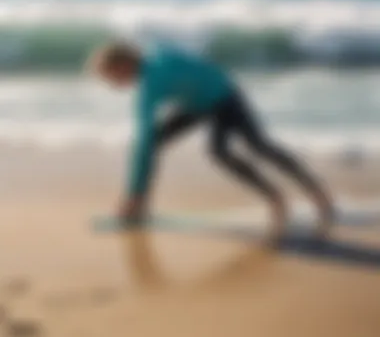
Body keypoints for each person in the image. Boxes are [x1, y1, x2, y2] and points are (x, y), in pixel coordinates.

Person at [88, 42, 334, 244]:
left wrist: (132, 191)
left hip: (226, 98)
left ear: (123, 66)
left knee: (254, 147)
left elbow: (143, 139)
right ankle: (141, 204)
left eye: (110, 77)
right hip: (196, 105)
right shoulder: (154, 62)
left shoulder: (152, 83)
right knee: (157, 144)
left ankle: (312, 192)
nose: (111, 85)